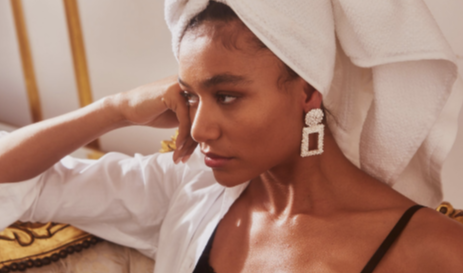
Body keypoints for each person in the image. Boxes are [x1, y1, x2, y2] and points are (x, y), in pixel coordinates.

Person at [1, 1, 463, 272]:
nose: (199, 129)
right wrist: (115, 109)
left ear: (306, 93)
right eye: (190, 95)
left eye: (226, 96)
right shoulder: (188, 186)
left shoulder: (431, 249)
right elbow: (18, 178)